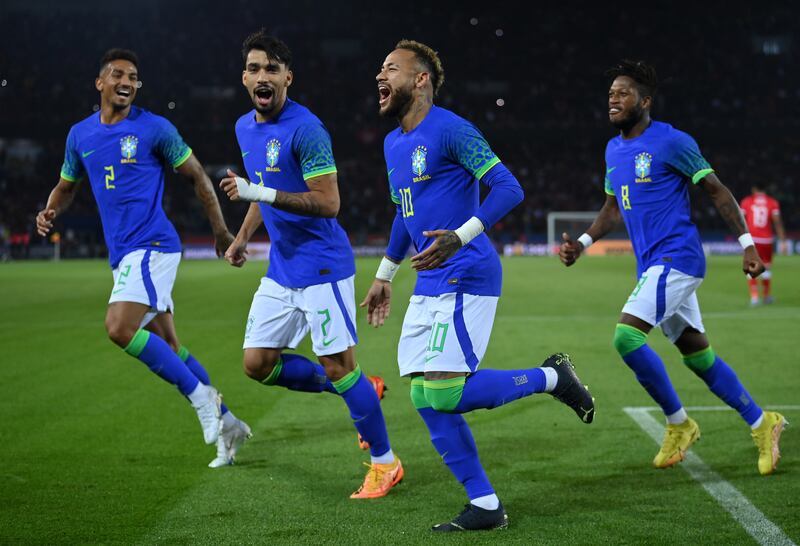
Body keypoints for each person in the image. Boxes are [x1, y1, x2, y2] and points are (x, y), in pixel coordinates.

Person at [360, 40, 595, 532]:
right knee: (425, 398)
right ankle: (485, 504)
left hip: (467, 274)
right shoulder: (392, 144)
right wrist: (385, 274)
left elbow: (509, 187)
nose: (380, 77)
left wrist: (460, 236)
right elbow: (406, 214)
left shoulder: (451, 130)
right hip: (428, 283)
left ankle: (553, 378)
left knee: (443, 395)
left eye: (391, 69)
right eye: (379, 70)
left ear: (421, 79)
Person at [559, 60, 787, 476]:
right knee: (696, 353)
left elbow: (717, 192)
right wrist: (584, 242)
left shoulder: (672, 142)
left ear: (645, 101)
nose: (613, 98)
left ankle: (679, 423)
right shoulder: (613, 150)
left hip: (678, 258)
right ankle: (762, 422)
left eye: (623, 93)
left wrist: (748, 246)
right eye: (610, 92)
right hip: (653, 265)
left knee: (626, 338)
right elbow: (612, 208)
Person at [35, 48, 251, 468]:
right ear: (100, 82)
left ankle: (202, 400)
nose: (127, 82)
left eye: (133, 77)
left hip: (153, 246)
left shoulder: (155, 129)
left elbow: (199, 178)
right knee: (170, 345)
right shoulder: (80, 135)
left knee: (118, 327)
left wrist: (221, 231)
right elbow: (65, 186)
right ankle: (229, 424)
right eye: (118, 74)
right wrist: (49, 210)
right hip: (124, 255)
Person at [218, 30, 402, 499]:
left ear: (287, 78)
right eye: (255, 68)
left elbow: (329, 202)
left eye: (272, 69)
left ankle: (386, 463)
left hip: (322, 266)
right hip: (282, 267)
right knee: (257, 364)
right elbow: (263, 186)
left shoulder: (307, 129)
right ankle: (363, 387)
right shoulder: (244, 128)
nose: (264, 76)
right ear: (244, 77)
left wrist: (257, 192)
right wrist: (242, 237)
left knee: (339, 366)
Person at [740, 184, 787, 305]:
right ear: (765, 189)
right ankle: (766, 296)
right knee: (767, 267)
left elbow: (741, 220)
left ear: (754, 189)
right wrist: (782, 241)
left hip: (752, 239)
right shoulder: (772, 202)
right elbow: (777, 222)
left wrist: (742, 237)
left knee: (751, 265)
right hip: (767, 240)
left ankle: (754, 297)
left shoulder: (747, 201)